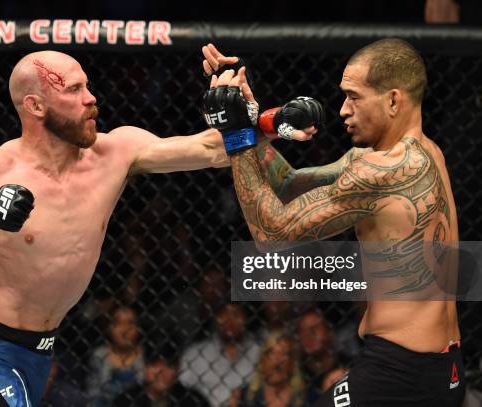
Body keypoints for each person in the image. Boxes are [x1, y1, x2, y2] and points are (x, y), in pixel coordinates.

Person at [0, 50, 235, 406]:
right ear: (35, 106)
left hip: (40, 353)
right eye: (74, 90)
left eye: (88, 86)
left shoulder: (116, 153)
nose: (91, 97)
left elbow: (211, 149)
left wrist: (267, 119)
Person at [202, 39, 464, 406]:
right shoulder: (424, 153)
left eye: (354, 97)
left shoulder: (387, 170)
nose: (342, 110)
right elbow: (289, 183)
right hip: (437, 368)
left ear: (392, 100)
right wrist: (249, 114)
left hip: (401, 373)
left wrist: (235, 136)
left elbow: (272, 234)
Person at [179, 302, 260, 407]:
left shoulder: (259, 354)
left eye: (235, 315)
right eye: (224, 315)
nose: (230, 321)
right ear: (216, 318)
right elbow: (181, 391)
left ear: (245, 319)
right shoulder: (194, 354)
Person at [112, 336, 210, 407]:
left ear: (178, 367)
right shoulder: (125, 402)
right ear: (145, 368)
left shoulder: (194, 402)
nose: (161, 372)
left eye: (168, 365)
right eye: (154, 365)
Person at [229, 333, 305, 407]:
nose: (277, 358)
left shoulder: (305, 397)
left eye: (284, 353)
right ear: (262, 361)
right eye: (272, 353)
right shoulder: (244, 396)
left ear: (292, 363)